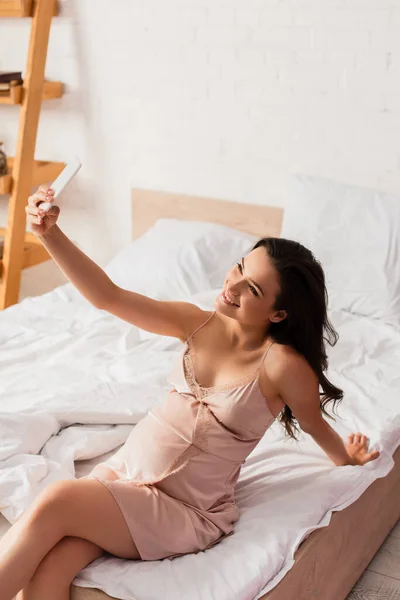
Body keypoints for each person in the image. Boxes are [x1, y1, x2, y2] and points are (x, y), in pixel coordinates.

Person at [0, 185, 380, 600]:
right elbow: (108, 297)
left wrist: (347, 457)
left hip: (183, 511)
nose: (231, 286)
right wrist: (49, 233)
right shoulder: (196, 323)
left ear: (278, 313)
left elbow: (312, 423)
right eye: (238, 267)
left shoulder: (283, 365)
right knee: (52, 565)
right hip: (124, 475)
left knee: (57, 499)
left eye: (251, 289)